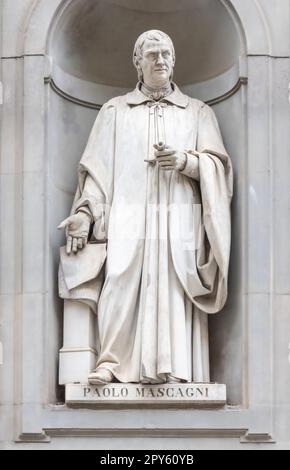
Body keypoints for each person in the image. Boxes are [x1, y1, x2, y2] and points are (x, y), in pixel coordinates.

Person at [59, 30, 233, 385]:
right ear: (137, 62)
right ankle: (111, 362)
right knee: (120, 280)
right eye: (151, 55)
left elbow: (219, 168)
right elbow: (97, 173)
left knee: (173, 286)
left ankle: (178, 367)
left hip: (179, 218)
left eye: (166, 54)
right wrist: (84, 214)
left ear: (174, 61)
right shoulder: (114, 112)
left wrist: (185, 161)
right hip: (128, 214)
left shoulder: (198, 112)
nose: (160, 61)